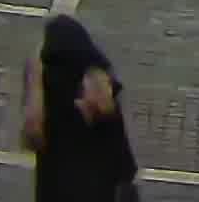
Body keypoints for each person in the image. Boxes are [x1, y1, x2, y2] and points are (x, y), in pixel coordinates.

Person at [20, 13, 137, 202]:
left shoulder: (46, 93)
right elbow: (122, 154)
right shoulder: (101, 89)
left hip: (56, 189)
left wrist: (35, 86)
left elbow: (32, 139)